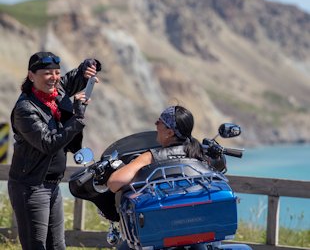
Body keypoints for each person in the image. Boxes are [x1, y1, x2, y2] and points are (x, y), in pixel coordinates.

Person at [8, 51, 101, 250]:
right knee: (37, 246)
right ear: (31, 76)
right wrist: (77, 117)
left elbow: (72, 78)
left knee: (58, 246)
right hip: (31, 187)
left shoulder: (57, 93)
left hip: (52, 185)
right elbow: (48, 143)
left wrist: (88, 66)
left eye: (57, 72)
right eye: (47, 73)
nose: (54, 78)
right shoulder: (25, 109)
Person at [108, 105, 220, 193]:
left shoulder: (150, 157)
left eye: (159, 122)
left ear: (170, 132)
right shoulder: (199, 153)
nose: (155, 125)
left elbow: (114, 182)